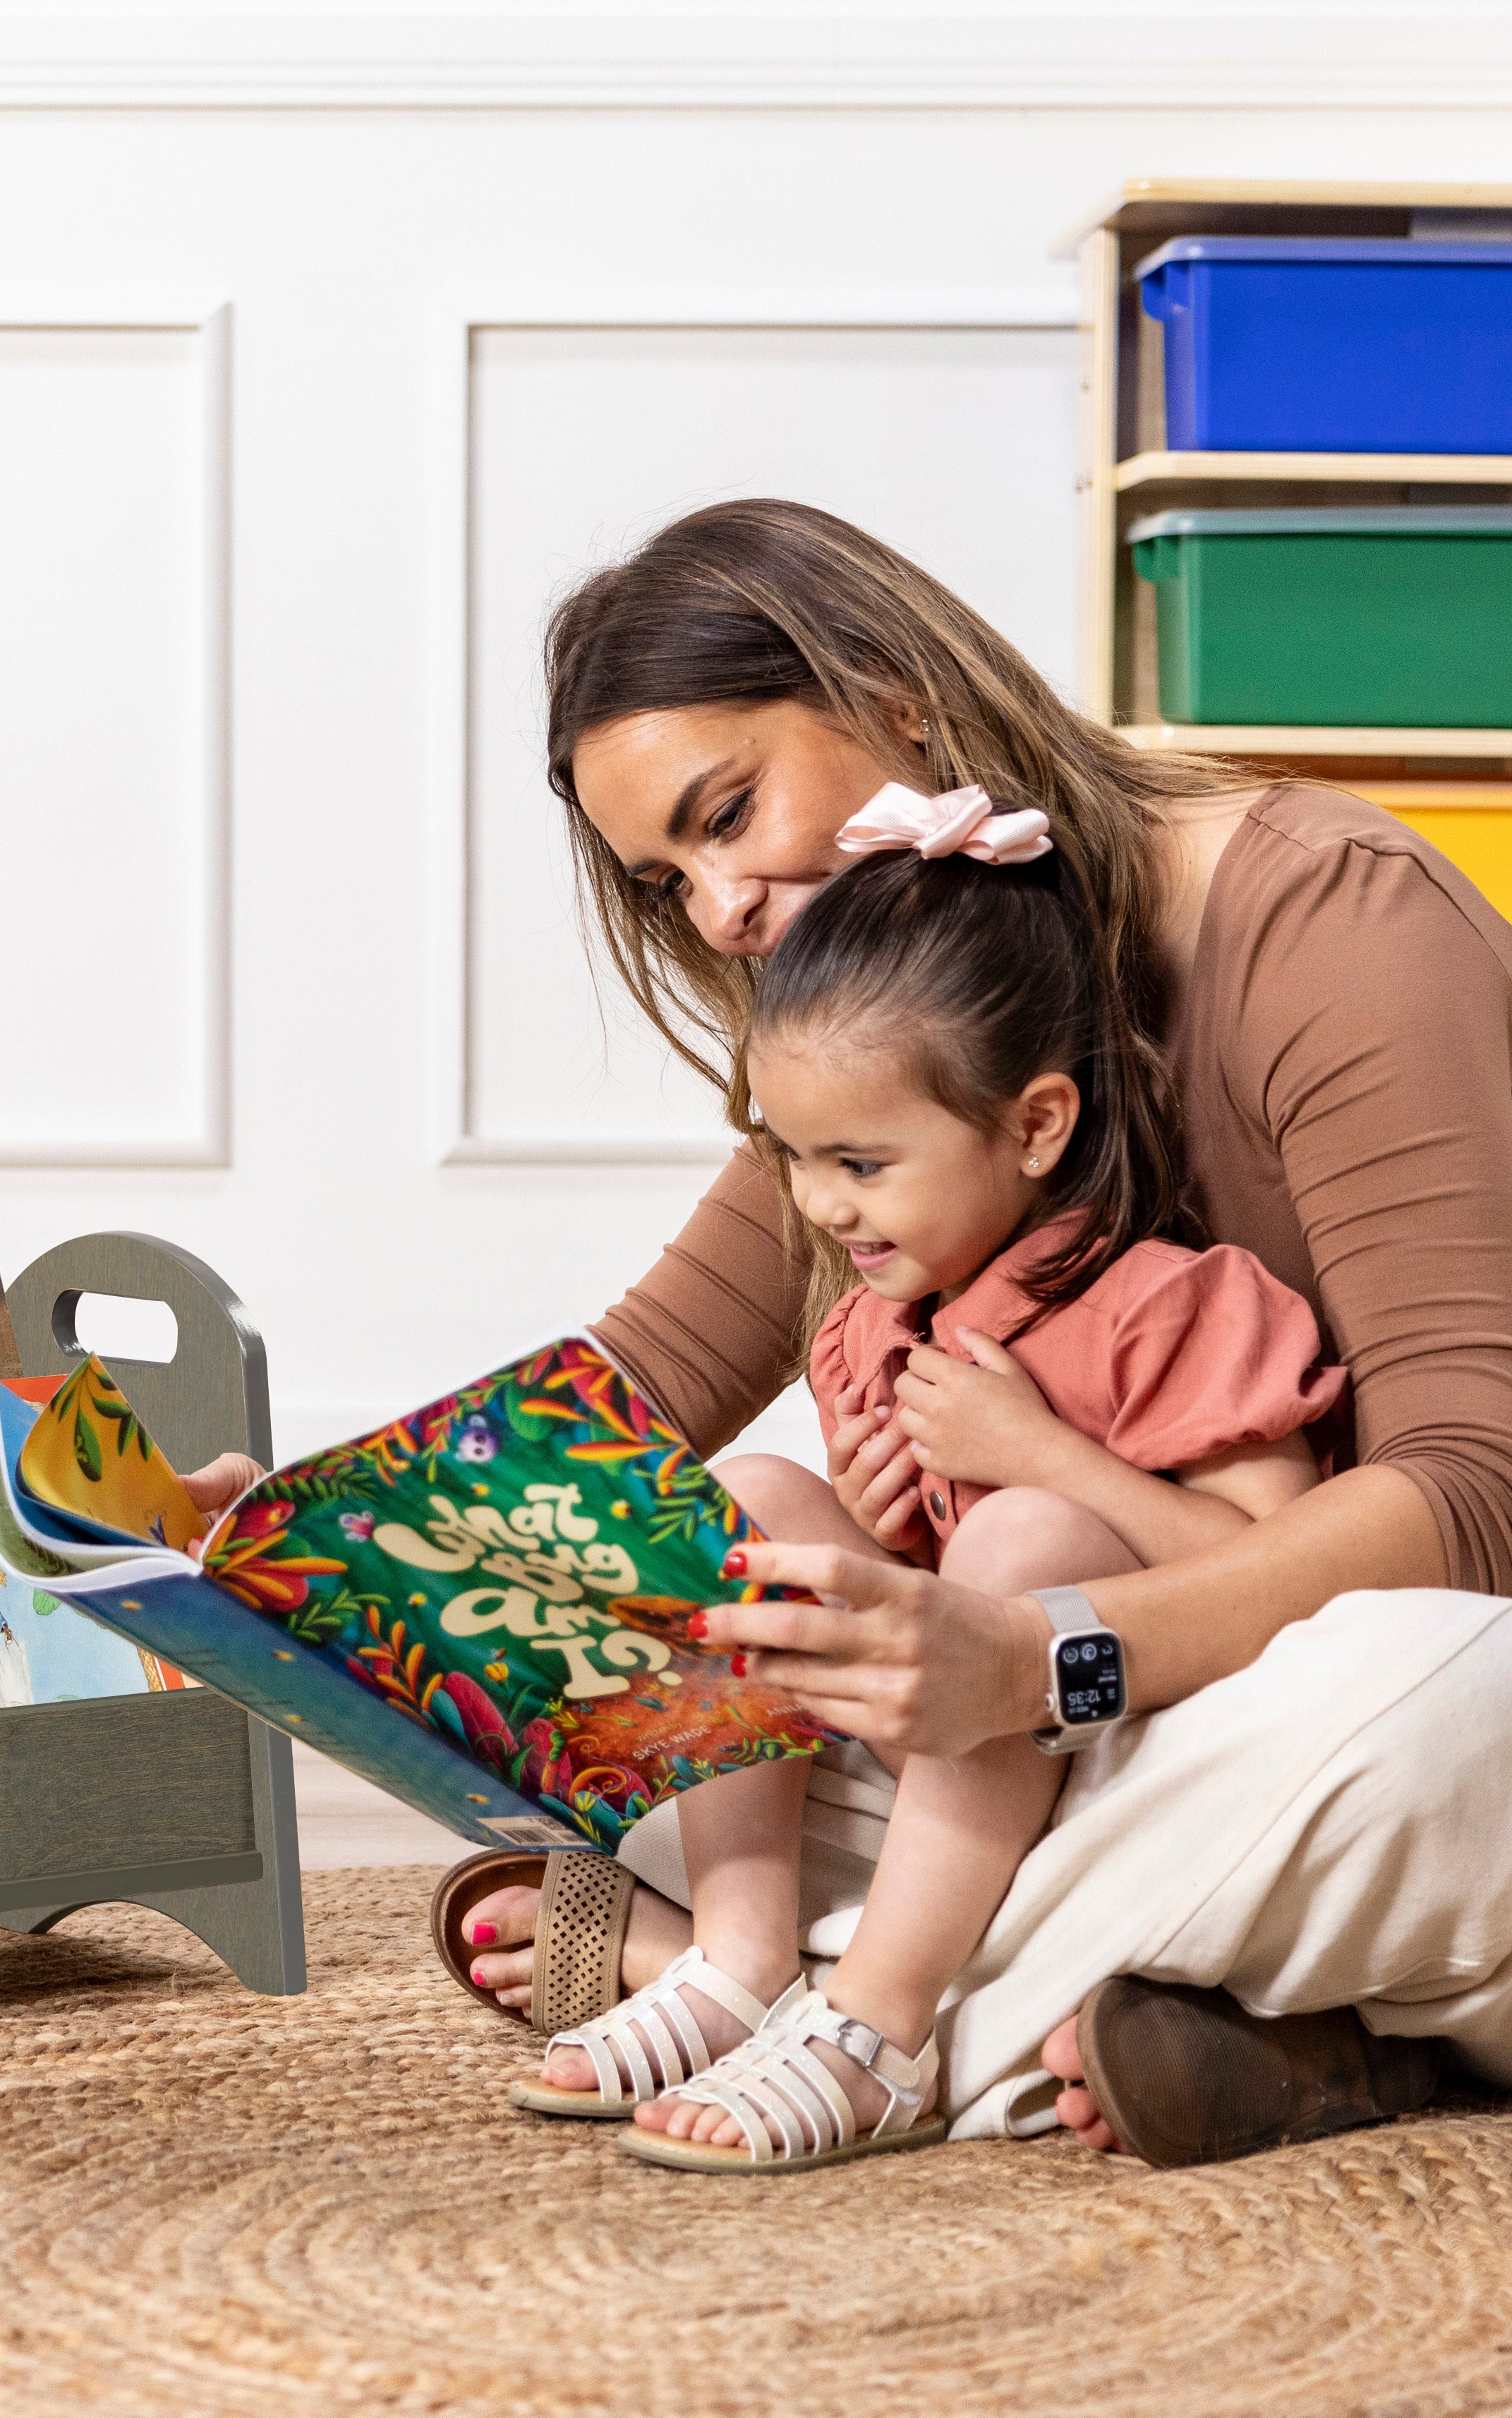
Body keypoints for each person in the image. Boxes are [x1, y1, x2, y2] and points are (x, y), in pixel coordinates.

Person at [186, 498, 1512, 2165]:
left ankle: (803, 1995)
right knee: (706, 1650)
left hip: (1344, 1663)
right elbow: (638, 1388)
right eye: (671, 879)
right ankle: (1149, 2012)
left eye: (726, 815)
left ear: (891, 690)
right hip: (1086, 1741)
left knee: (1451, 1708)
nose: (722, 906)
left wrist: (1041, 1657)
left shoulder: (1334, 916)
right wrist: (293, 1535)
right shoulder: (875, 1040)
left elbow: (1476, 1504)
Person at [514, 796, 1341, 2170]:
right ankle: (738, 1953)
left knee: (1025, 1530)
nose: (822, 1206)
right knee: (754, 1491)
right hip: (955, 1759)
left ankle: (881, 2021)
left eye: (861, 1162)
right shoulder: (872, 1321)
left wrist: (1043, 1461)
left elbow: (1285, 1561)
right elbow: (906, 1607)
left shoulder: (1170, 1305)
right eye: (790, 1154)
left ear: (1030, 1126)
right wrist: (872, 1513)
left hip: (1120, 1734)